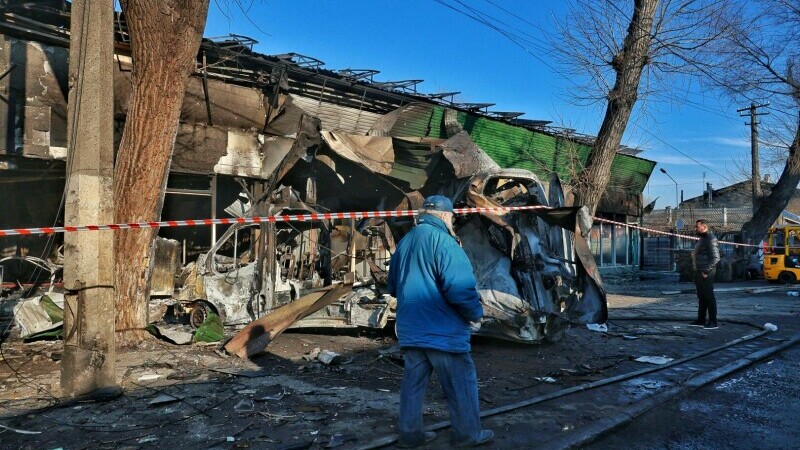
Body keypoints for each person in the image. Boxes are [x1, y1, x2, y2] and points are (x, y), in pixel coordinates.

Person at [388, 195, 494, 448]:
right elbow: (459, 289)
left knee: (412, 386)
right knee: (461, 384)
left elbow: (392, 287)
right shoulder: (445, 243)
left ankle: (410, 436)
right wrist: (475, 314)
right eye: (452, 218)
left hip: (411, 330)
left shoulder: (404, 243)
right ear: (446, 217)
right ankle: (467, 435)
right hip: (443, 332)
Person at [690, 219, 720, 329]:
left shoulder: (711, 239)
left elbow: (716, 258)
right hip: (700, 270)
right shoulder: (703, 239)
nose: (696, 228)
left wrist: (706, 271)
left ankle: (713, 321)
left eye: (697, 226)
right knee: (702, 297)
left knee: (709, 296)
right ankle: (701, 320)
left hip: (706, 272)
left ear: (704, 227)